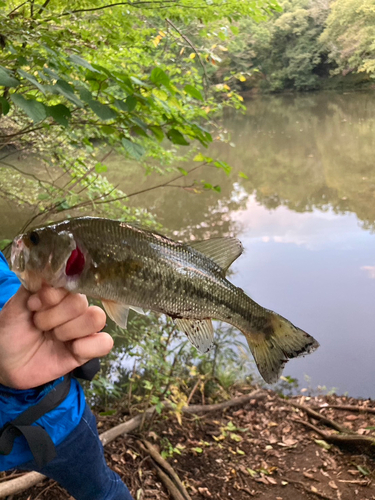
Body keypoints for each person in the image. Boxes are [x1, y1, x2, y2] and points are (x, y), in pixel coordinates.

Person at [0, 251, 134, 499]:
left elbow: (2, 279)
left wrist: (26, 318)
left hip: (59, 418)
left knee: (103, 491)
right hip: (56, 415)